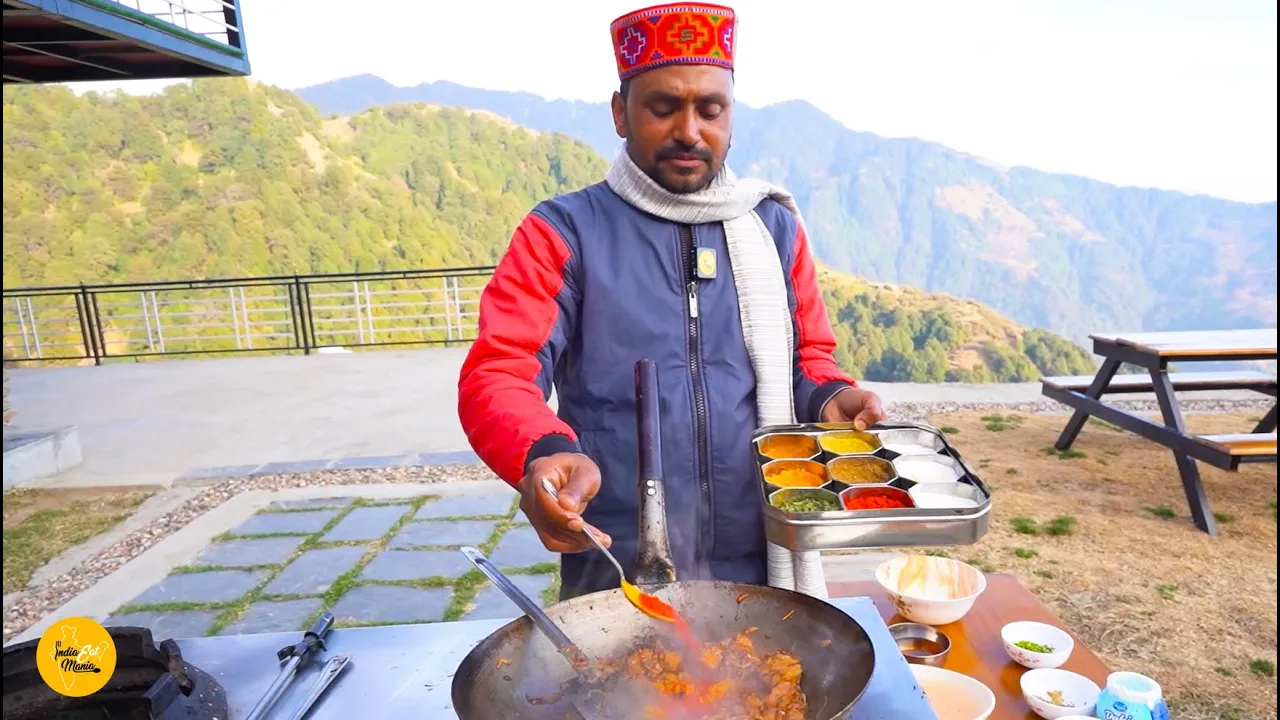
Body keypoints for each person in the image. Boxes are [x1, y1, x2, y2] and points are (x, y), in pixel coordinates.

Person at [458, 2, 885, 601]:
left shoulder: (772, 227)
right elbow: (499, 372)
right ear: (620, 113)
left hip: (761, 546)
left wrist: (831, 397)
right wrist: (544, 453)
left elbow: (808, 356)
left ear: (730, 116)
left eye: (711, 110)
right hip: (615, 554)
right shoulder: (563, 232)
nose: (690, 131)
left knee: (773, 691)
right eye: (663, 107)